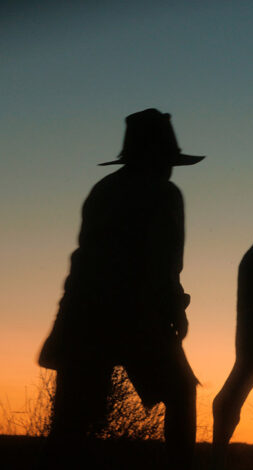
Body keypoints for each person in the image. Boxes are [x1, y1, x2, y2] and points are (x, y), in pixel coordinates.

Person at [38, 109, 202, 469]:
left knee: (69, 423)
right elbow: (164, 261)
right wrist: (174, 310)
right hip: (135, 315)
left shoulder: (104, 189)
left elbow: (87, 256)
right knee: (181, 393)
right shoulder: (164, 193)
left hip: (82, 314)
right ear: (160, 158)